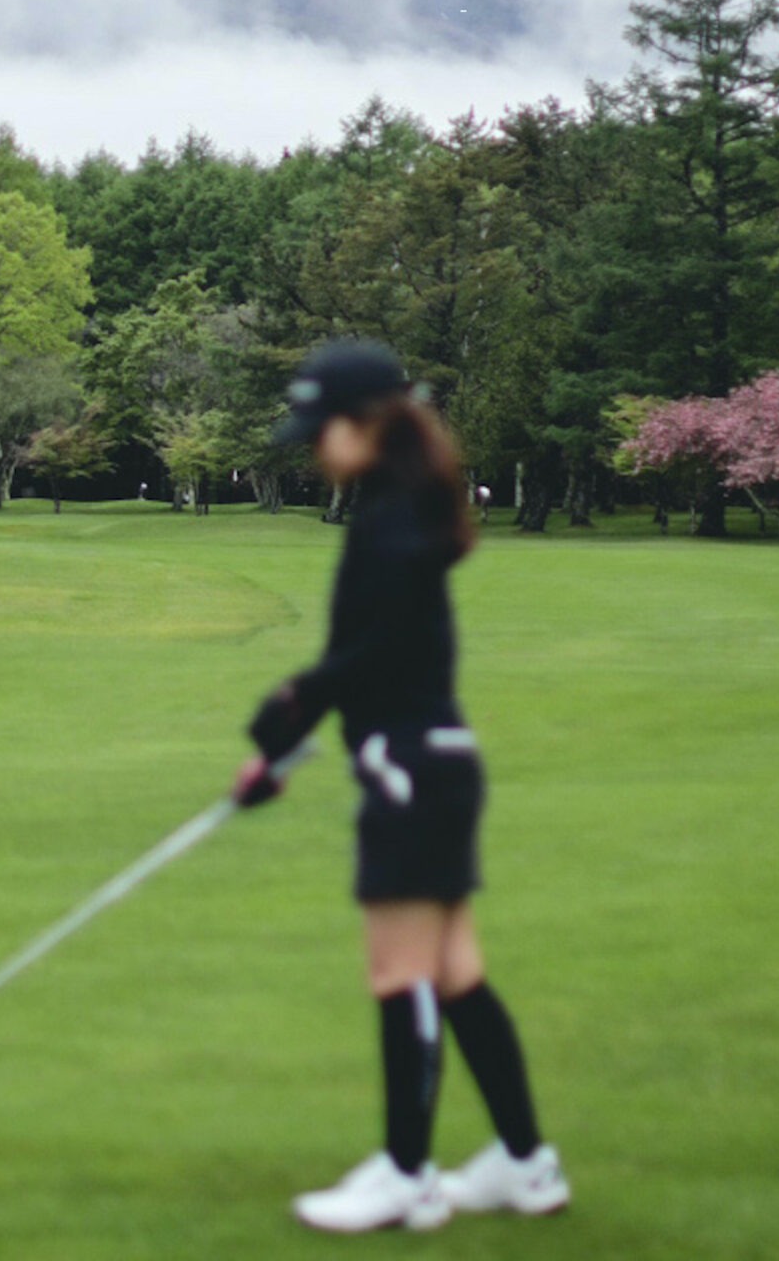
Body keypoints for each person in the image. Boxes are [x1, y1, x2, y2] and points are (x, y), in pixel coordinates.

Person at [233, 339, 569, 1232]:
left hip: (407, 769)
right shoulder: (406, 508)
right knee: (455, 972)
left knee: (401, 972)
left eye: (321, 431)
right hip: (438, 759)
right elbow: (373, 660)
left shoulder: (388, 525)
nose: (312, 450)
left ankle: (408, 1175)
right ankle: (526, 1165)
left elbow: (358, 659)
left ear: (369, 423)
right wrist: (291, 736)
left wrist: (279, 727)